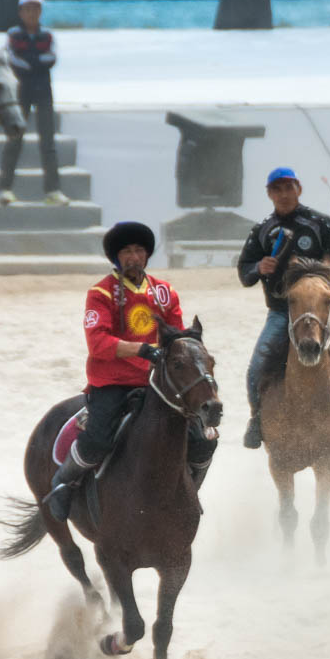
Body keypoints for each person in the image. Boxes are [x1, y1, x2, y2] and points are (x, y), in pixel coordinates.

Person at [44, 222, 212, 520]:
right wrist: (140, 349)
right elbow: (97, 342)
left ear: (147, 256)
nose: (133, 257)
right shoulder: (101, 293)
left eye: (138, 251)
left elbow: (174, 336)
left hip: (157, 382)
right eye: (126, 252)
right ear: (116, 258)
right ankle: (63, 483)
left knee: (202, 439)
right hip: (113, 381)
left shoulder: (164, 291)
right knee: (97, 439)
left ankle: (189, 493)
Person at [236, 167, 330, 451]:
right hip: (281, 312)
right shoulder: (262, 230)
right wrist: (258, 267)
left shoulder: (320, 224)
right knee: (257, 366)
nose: (284, 194)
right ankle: (257, 419)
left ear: (299, 189)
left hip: (322, 310)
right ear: (269, 194)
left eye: (289, 188)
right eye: (277, 189)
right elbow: (244, 271)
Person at [0, 0, 68, 207]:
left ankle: (53, 190)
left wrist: (30, 61)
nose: (32, 13)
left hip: (43, 91)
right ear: (20, 12)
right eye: (28, 9)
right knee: (14, 139)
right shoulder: (13, 35)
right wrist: (34, 62)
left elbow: (52, 58)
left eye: (36, 8)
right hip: (21, 91)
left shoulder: (47, 35)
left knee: (48, 141)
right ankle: (5, 188)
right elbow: (12, 59)